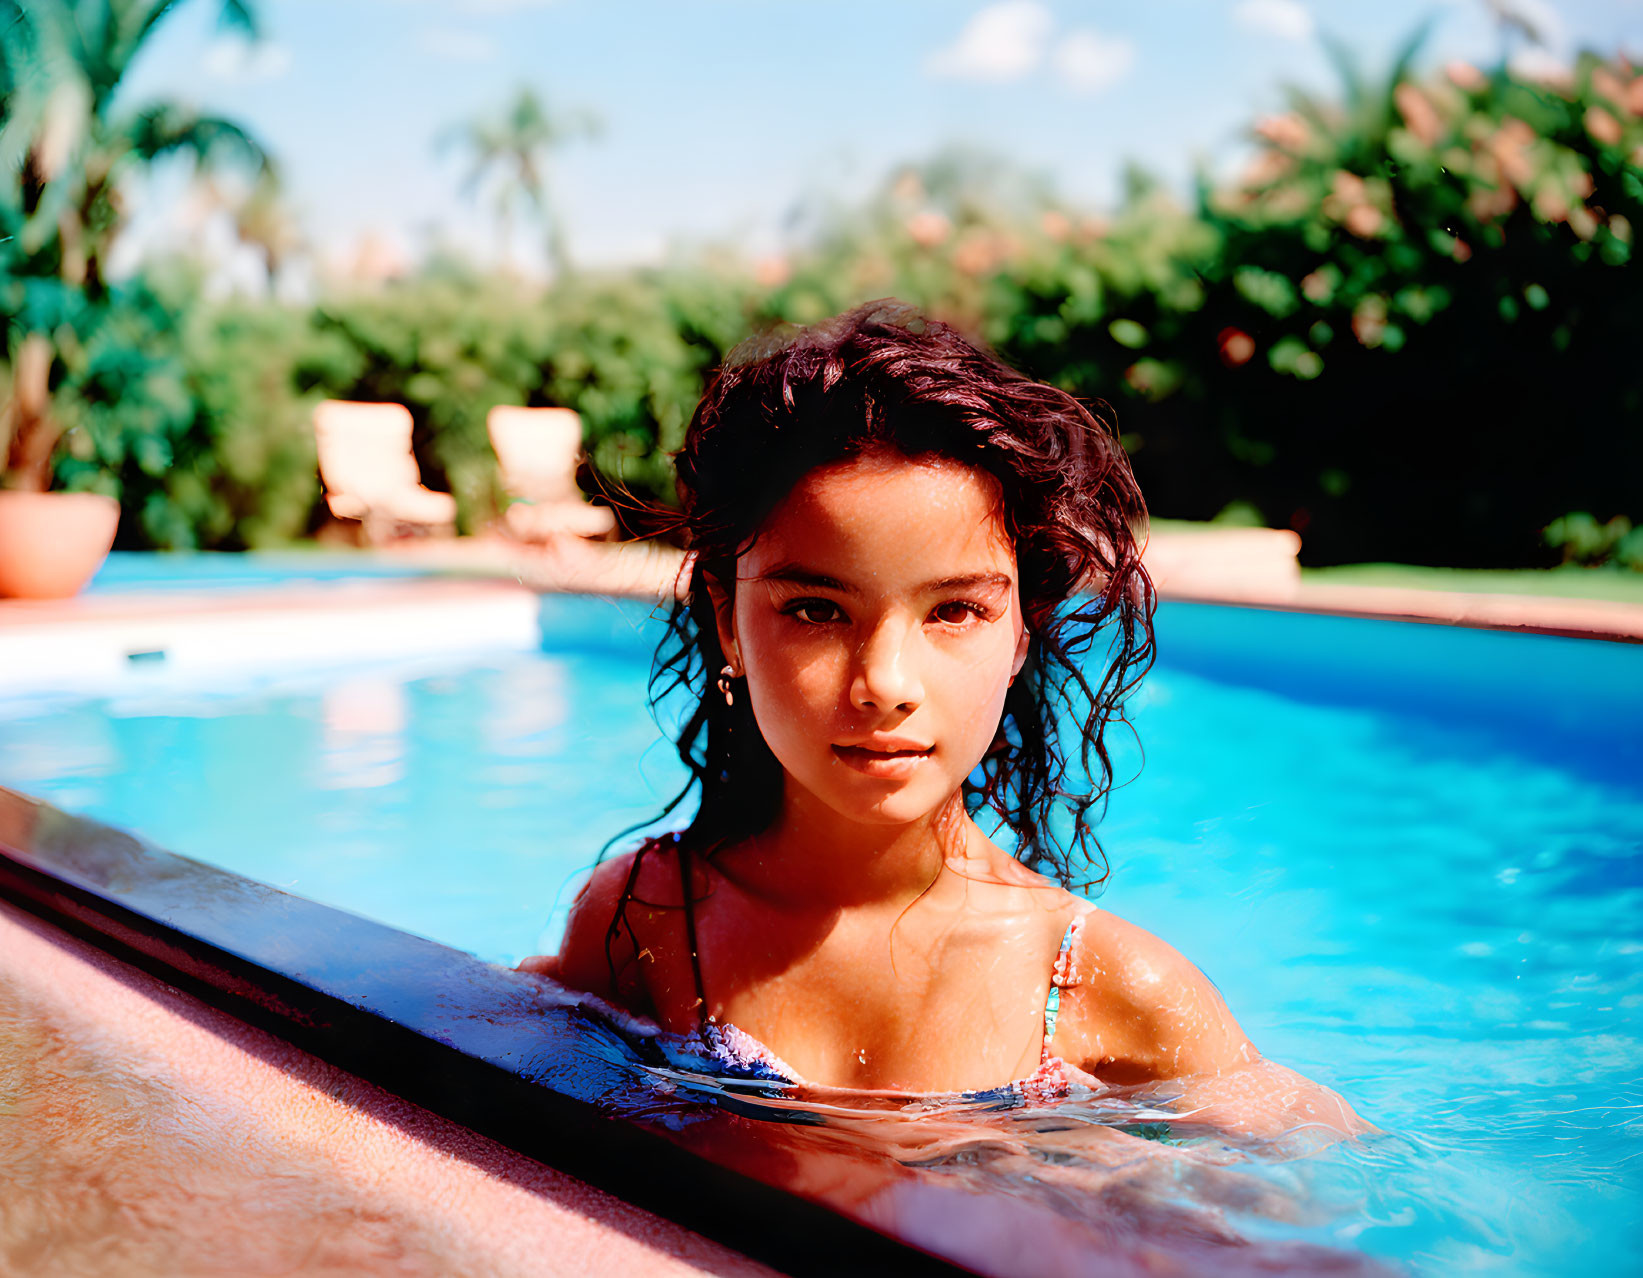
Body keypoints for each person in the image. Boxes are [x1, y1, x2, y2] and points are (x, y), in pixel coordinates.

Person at [520, 300, 1367, 1139]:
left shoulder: (1106, 988)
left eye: (954, 612)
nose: (884, 684)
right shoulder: (646, 923)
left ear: (1020, 635)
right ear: (724, 621)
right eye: (816, 610)